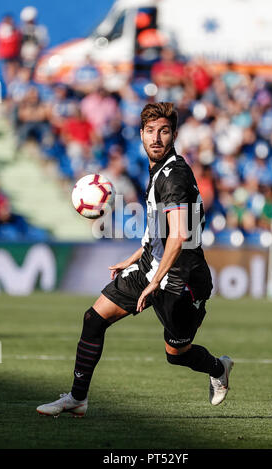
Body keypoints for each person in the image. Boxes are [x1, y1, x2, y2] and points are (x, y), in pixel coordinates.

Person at [36, 102, 234, 417]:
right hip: (150, 268)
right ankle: (77, 398)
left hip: (182, 279)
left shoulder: (174, 176)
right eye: (151, 131)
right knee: (93, 319)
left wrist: (153, 282)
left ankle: (218, 367)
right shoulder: (157, 171)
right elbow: (159, 231)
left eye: (164, 131)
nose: (156, 138)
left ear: (174, 135)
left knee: (177, 353)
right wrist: (133, 259)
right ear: (141, 135)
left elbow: (179, 236)